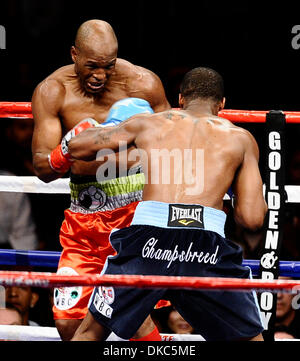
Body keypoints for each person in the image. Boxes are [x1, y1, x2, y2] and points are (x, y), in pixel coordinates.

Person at [69, 67, 267, 341]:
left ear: (180, 99)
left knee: (90, 333)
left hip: (147, 240)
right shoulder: (240, 139)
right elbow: (252, 219)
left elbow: (77, 147)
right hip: (204, 246)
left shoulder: (149, 123)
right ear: (222, 104)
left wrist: (91, 128)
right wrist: (233, 184)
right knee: (250, 340)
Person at [31, 19, 170, 340]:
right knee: (69, 323)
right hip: (84, 223)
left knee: (134, 315)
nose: (100, 75)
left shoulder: (143, 84)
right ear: (74, 54)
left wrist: (105, 152)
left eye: (108, 66)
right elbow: (42, 168)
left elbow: (173, 144)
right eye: (91, 66)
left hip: (138, 216)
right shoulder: (53, 91)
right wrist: (69, 147)